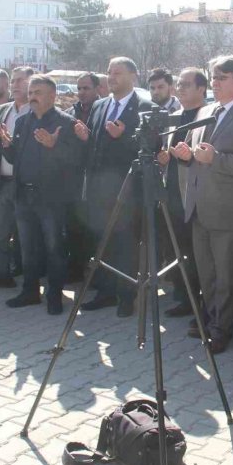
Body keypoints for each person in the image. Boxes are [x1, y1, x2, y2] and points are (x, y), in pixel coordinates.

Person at [169, 55, 233, 353]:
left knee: (226, 276)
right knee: (207, 273)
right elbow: (197, 154)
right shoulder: (206, 111)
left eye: (222, 77)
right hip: (199, 206)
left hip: (229, 211)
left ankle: (221, 330)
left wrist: (217, 159)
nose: (215, 82)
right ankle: (208, 320)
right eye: (214, 76)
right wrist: (186, 156)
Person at [77, 57, 152, 317]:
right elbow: (95, 145)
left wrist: (123, 139)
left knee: (125, 244)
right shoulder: (98, 106)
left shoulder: (145, 107)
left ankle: (126, 295)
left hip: (127, 191)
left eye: (117, 73)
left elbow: (150, 149)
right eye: (109, 72)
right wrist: (86, 139)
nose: (111, 77)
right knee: (103, 243)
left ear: (133, 76)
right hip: (99, 189)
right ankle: (105, 291)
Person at [0, 75, 82, 314]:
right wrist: (6, 146)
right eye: (31, 92)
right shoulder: (24, 121)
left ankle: (54, 294)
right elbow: (15, 158)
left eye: (38, 92)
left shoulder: (66, 123)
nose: (32, 96)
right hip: (23, 195)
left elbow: (76, 160)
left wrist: (53, 146)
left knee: (54, 247)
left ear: (52, 96)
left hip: (51, 199)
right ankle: (30, 291)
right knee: (27, 247)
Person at [159, 67, 207, 318]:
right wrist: (164, 158)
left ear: (202, 88)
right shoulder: (175, 116)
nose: (180, 88)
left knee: (196, 251)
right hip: (174, 193)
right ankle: (183, 295)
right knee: (177, 248)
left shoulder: (209, 115)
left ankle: (198, 299)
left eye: (186, 84)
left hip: (198, 196)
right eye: (179, 84)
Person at [0, 66, 34, 289]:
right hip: (3, 181)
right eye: (13, 80)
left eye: (21, 80)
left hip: (28, 184)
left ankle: (30, 277)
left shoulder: (37, 112)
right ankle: (2, 275)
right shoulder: (2, 111)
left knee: (27, 235)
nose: (15, 85)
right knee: (0, 231)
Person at [64, 71, 100, 281]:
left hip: (96, 177)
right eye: (79, 88)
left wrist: (87, 138)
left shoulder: (102, 110)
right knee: (74, 224)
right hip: (73, 178)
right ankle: (76, 268)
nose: (82, 93)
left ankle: (95, 272)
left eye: (86, 88)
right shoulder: (70, 113)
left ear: (97, 89)